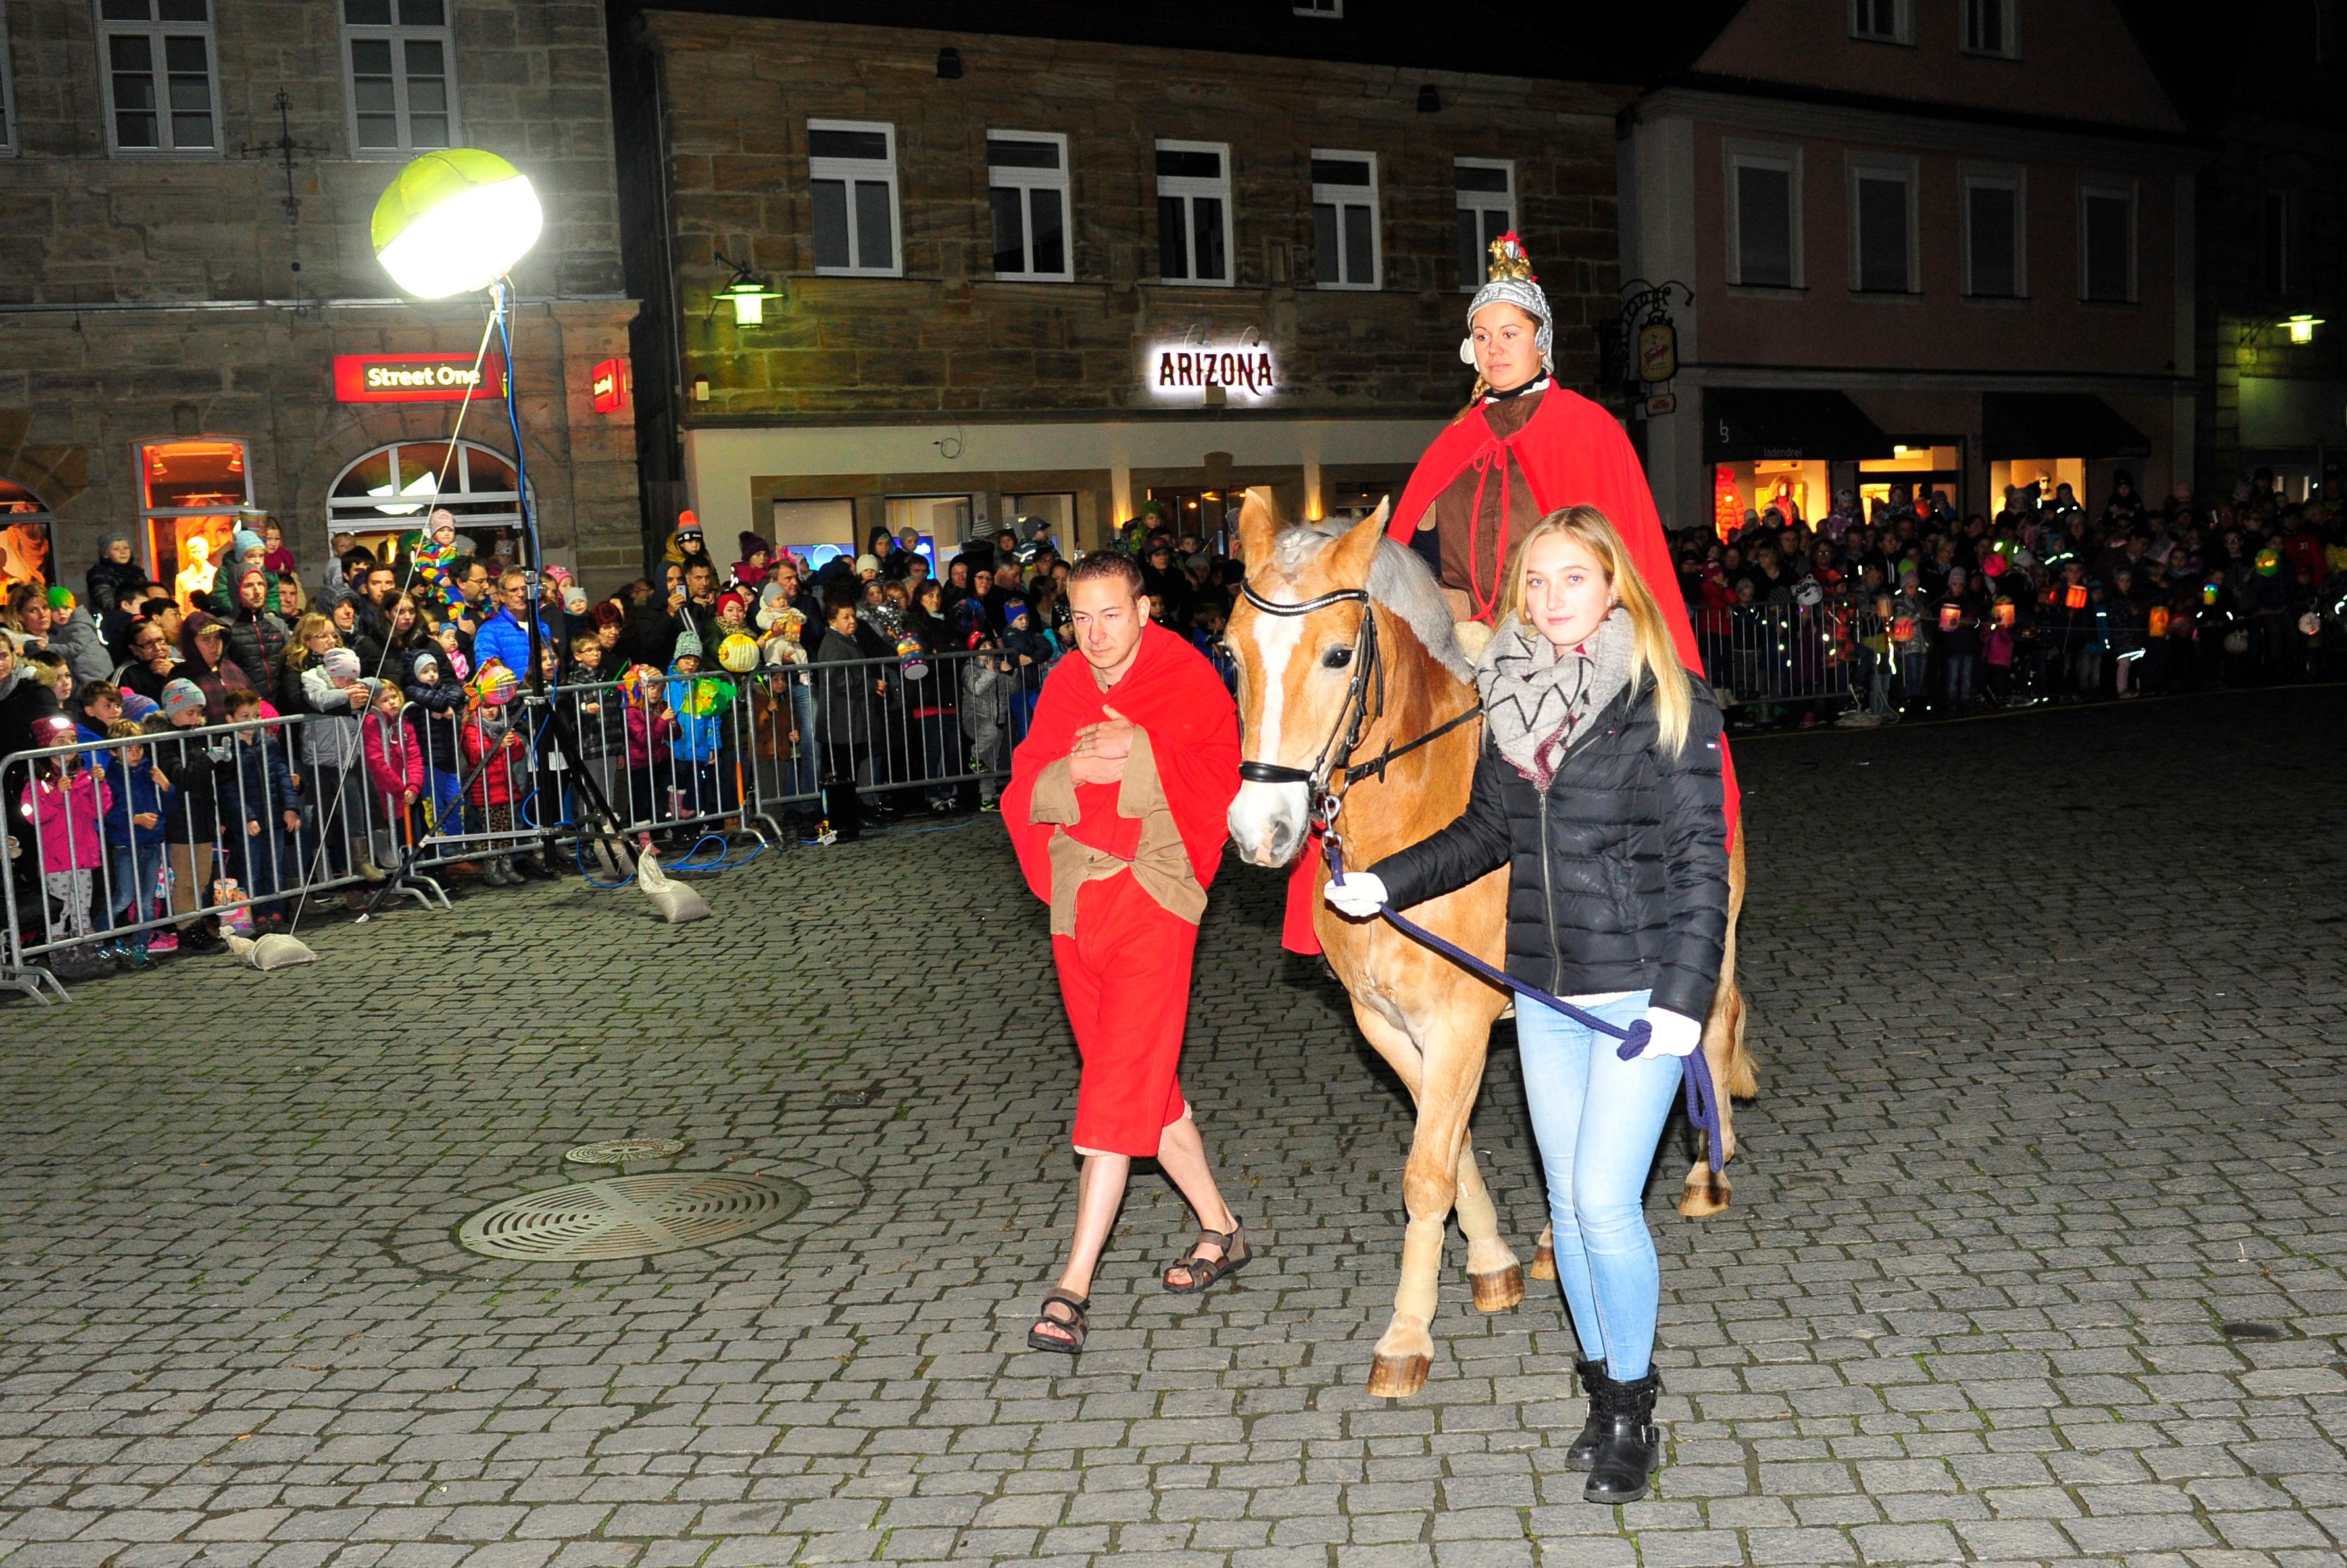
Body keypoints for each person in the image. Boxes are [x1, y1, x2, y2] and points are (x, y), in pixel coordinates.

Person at [1324, 505, 1729, 1505]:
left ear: (1614, 585)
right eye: (1535, 582)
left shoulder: (1667, 699)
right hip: (1546, 989)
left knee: (1604, 1202)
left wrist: (1684, 1000)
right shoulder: (1508, 700)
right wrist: (1385, 881)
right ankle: (1601, 1395)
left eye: (1573, 579)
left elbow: (1700, 863)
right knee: (1565, 1208)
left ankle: (1634, 1408)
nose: (1551, 600)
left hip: (1639, 991)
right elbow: (1483, 834)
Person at [999, 551, 1247, 1357]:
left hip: (1153, 894)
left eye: (1111, 613)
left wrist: (1139, 747)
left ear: (1145, 609)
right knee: (1145, 1082)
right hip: (1078, 902)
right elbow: (1023, 785)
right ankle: (1221, 1226)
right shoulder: (1066, 681)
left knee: (1111, 1089)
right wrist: (1073, 767)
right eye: (1081, 616)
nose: (1096, 633)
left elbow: (1223, 778)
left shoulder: (1187, 676)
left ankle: (1071, 1287)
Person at [214, 687, 302, 927]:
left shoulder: (270, 744)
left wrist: (291, 807)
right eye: (245, 716)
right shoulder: (227, 751)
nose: (253, 721)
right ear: (230, 719)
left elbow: (283, 776)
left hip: (274, 816)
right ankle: (257, 914)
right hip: (248, 823)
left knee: (275, 867)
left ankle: (278, 912)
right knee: (251, 870)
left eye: (256, 715)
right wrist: (246, 817)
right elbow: (228, 789)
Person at [97, 718, 172, 965]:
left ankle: (140, 947)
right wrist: (134, 819)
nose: (136, 753)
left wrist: (166, 787)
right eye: (128, 748)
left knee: (147, 901)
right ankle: (98, 934)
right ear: (114, 751)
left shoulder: (150, 771)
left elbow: (171, 807)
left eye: (139, 747)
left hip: (151, 841)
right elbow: (106, 811)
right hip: (126, 844)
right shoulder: (111, 777)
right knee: (125, 896)